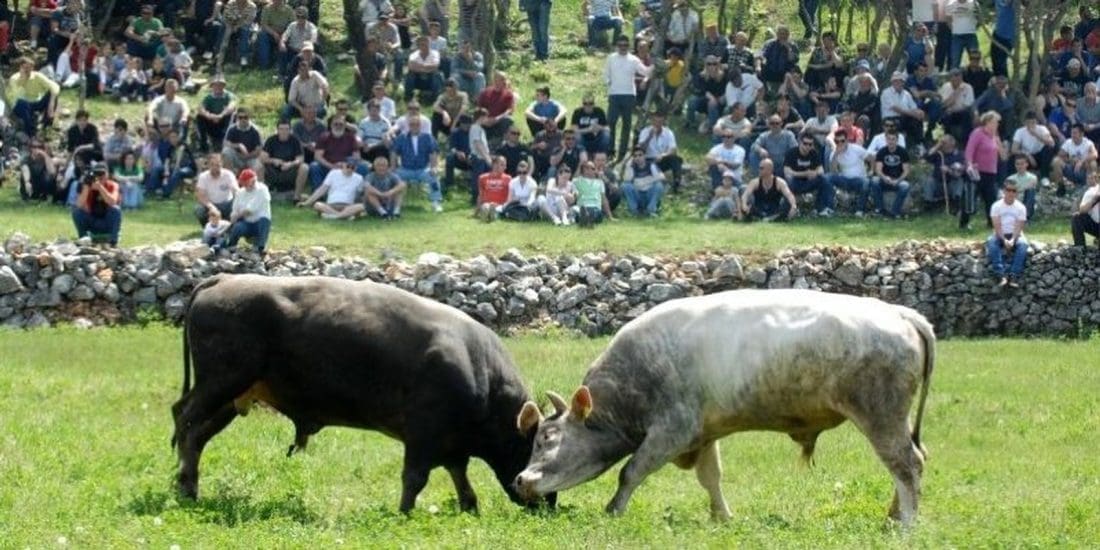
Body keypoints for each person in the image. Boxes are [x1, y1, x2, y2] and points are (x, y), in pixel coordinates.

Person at [604, 36, 651, 158]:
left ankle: (622, 152)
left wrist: (655, 65)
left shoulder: (634, 59)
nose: (623, 47)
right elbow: (606, 75)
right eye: (620, 45)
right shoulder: (611, 58)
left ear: (629, 46)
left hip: (629, 95)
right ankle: (610, 150)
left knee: (626, 124)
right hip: (614, 95)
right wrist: (609, 85)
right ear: (617, 46)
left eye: (625, 45)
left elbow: (645, 72)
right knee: (611, 123)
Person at [965, 111, 1008, 229]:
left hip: (991, 172)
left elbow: (1003, 157)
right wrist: (969, 164)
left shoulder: (995, 137)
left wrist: (999, 144)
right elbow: (970, 150)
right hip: (977, 171)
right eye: (995, 122)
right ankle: (964, 223)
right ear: (988, 122)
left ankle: (992, 224)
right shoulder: (977, 133)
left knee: (991, 199)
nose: (997, 124)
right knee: (971, 198)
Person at [391, 117, 443, 212]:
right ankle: (394, 205)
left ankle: (436, 203)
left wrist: (434, 167)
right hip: (405, 169)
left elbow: (433, 152)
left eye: (417, 124)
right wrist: (393, 167)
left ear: (420, 126)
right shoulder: (402, 137)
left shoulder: (427, 137)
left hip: (422, 169)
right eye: (412, 124)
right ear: (408, 126)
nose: (414, 126)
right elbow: (394, 152)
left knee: (433, 176)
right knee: (393, 176)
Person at [986, 180, 1028, 288]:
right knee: (992, 243)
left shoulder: (1021, 207)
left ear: (1016, 193)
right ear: (1004, 191)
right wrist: (1004, 239)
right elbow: (996, 225)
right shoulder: (996, 206)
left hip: (1015, 234)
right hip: (999, 233)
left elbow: (1019, 226)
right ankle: (1000, 275)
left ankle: (1014, 275)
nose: (1011, 193)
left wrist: (1013, 239)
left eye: (1014, 191)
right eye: (1008, 190)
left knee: (1023, 245)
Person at [298, 156, 367, 220]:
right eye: (348, 166)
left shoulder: (359, 178)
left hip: (347, 207)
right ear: (343, 164)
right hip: (331, 205)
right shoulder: (333, 173)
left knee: (361, 206)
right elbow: (322, 189)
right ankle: (343, 216)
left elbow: (361, 194)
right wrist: (307, 203)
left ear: (356, 168)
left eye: (352, 167)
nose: (350, 169)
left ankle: (333, 216)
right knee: (317, 205)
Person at [71, 163, 122, 246]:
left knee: (116, 210)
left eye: (102, 173)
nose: (100, 176)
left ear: (107, 174)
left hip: (107, 220)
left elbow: (112, 202)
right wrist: (86, 187)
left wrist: (100, 188)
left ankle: (113, 240)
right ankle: (83, 238)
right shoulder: (86, 185)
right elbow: (79, 205)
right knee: (76, 212)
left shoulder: (113, 185)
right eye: (97, 173)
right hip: (92, 220)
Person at [8, 56, 59, 138]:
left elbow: (55, 86)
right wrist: (23, 80)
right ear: (20, 67)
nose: (27, 70)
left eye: (29, 67)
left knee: (52, 93)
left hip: (35, 102)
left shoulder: (37, 76)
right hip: (20, 105)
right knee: (22, 103)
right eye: (25, 67)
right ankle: (31, 132)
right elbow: (18, 95)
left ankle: (47, 125)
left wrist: (51, 102)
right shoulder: (14, 79)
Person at [784, 135, 834, 217]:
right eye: (805, 143)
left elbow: (821, 170)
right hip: (795, 182)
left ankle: (822, 209)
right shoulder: (791, 153)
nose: (807, 146)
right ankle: (789, 209)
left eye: (810, 144)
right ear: (800, 143)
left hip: (809, 182)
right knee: (789, 181)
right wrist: (804, 173)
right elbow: (787, 172)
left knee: (824, 180)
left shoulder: (813, 153)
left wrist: (814, 173)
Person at [826, 132, 874, 216]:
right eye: (837, 141)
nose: (840, 143)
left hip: (859, 179)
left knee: (866, 182)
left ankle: (859, 210)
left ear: (847, 140)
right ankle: (829, 208)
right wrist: (836, 154)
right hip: (845, 180)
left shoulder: (856, 149)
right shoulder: (834, 153)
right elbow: (833, 172)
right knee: (827, 178)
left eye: (842, 141)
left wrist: (871, 170)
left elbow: (871, 158)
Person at [225, 168, 272, 253]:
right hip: (247, 223)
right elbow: (235, 209)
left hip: (259, 223)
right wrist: (233, 217)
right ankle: (231, 245)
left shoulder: (262, 190)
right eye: (246, 183)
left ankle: (259, 247)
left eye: (252, 181)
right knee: (237, 227)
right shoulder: (240, 193)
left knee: (264, 221)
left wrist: (237, 216)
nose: (251, 184)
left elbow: (250, 210)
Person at [637, 112, 682, 191]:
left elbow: (673, 149)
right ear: (652, 121)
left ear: (663, 122)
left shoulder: (668, 132)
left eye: (660, 122)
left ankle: (677, 181)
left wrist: (663, 155)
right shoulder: (645, 131)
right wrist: (649, 137)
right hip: (648, 160)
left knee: (676, 159)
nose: (657, 124)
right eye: (655, 121)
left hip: (662, 159)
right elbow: (641, 149)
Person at [261, 119, 308, 195]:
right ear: (277, 130)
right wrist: (273, 160)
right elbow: (262, 158)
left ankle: (297, 197)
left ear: (290, 130)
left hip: (290, 171)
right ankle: (262, 194)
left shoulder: (295, 141)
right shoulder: (271, 140)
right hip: (273, 171)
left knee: (304, 167)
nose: (284, 131)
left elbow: (300, 159)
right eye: (281, 129)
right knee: (258, 165)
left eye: (286, 129)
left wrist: (290, 164)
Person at [872, 131, 912, 219]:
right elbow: (878, 170)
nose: (891, 141)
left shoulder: (903, 152)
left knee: (905, 186)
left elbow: (906, 171)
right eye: (889, 139)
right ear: (886, 140)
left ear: (897, 140)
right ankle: (880, 209)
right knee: (874, 181)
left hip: (898, 181)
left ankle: (894, 212)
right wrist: (884, 177)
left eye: (893, 139)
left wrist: (898, 180)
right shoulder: (882, 152)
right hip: (885, 180)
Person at [1051, 123, 1098, 194]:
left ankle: (1091, 188)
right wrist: (1070, 160)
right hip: (1071, 169)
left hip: (1084, 171)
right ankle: (1061, 187)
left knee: (1093, 163)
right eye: (1072, 133)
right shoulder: (1068, 142)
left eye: (1075, 133)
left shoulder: (1088, 143)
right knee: (1056, 161)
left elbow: (1095, 154)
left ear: (1081, 134)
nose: (1072, 135)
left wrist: (1081, 161)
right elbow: (1059, 154)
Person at [194, 153, 239, 226]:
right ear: (208, 165)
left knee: (236, 205)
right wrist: (211, 207)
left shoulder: (228, 175)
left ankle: (230, 226)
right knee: (199, 210)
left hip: (226, 205)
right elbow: (201, 196)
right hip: (210, 205)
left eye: (217, 165)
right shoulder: (203, 177)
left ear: (222, 164)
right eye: (212, 164)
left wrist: (237, 204)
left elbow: (236, 191)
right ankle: (208, 227)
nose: (215, 167)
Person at [195, 74, 237, 153]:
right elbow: (200, 108)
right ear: (212, 86)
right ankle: (204, 145)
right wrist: (210, 116)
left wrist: (221, 115)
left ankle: (226, 141)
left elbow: (231, 106)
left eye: (220, 85)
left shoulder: (229, 96)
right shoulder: (208, 97)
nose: (218, 87)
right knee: (199, 117)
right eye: (215, 85)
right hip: (211, 122)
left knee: (232, 115)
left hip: (224, 122)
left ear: (223, 86)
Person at [621, 146, 665, 217]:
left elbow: (662, 177)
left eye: (640, 155)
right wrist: (629, 164)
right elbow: (626, 180)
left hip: (649, 195)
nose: (638, 158)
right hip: (638, 195)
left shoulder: (651, 165)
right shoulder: (632, 166)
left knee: (659, 185)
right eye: (635, 156)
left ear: (644, 156)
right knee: (625, 185)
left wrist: (644, 182)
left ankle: (650, 210)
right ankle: (634, 211)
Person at [1011, 112, 1056, 179]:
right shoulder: (1020, 131)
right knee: (1015, 158)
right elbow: (1014, 149)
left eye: (1033, 122)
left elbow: (1052, 143)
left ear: (1036, 122)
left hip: (1041, 155)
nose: (1031, 124)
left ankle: (1044, 177)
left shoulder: (1042, 128)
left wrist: (1036, 134)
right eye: (1028, 122)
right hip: (1028, 155)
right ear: (1025, 123)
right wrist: (1028, 154)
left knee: (1049, 149)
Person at [476, 71, 516, 142]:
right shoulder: (485, 92)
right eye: (497, 79)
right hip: (486, 120)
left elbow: (509, 110)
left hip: (499, 120)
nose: (499, 82)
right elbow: (479, 108)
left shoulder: (508, 94)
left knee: (508, 120)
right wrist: (484, 119)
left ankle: (500, 141)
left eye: (502, 79)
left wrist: (497, 118)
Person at [221, 108, 264, 175]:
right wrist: (238, 145)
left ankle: (255, 183)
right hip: (237, 156)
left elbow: (259, 150)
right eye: (240, 117)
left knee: (259, 166)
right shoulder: (232, 129)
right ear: (237, 118)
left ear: (249, 118)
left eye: (245, 117)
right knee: (226, 151)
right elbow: (226, 143)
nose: (243, 120)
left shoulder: (255, 130)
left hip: (251, 157)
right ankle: (230, 177)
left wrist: (247, 156)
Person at [572, 160, 615, 225]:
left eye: (593, 168)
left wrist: (610, 216)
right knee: (575, 210)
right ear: (583, 169)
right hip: (582, 207)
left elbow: (604, 200)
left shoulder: (599, 182)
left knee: (595, 213)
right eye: (587, 168)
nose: (590, 170)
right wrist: (580, 166)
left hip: (595, 208)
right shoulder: (576, 181)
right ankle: (585, 218)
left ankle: (585, 218)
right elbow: (575, 177)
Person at [257, 0, 294, 72]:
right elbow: (264, 25)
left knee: (289, 41)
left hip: (284, 33)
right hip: (270, 33)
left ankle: (282, 66)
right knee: (262, 36)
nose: (277, 1)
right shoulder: (267, 9)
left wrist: (284, 36)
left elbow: (292, 25)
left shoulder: (289, 10)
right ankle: (264, 65)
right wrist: (274, 33)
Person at [404, 34, 443, 102]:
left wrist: (420, 65)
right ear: (418, 46)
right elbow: (410, 66)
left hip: (431, 78)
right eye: (422, 44)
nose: (425, 46)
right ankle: (409, 96)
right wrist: (427, 68)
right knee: (409, 74)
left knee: (437, 75)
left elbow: (436, 65)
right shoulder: (413, 55)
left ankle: (435, 98)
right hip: (417, 79)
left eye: (426, 44)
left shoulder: (435, 53)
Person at [1071, 170, 1100, 251]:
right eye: (1089, 178)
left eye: (1094, 178)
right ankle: (1080, 247)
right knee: (1077, 217)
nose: (1091, 180)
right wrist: (1095, 199)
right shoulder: (1091, 192)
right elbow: (1082, 210)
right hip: (1096, 225)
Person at [945, 0, 979, 69]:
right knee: (955, 61)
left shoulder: (974, 3)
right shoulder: (950, 4)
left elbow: (979, 17)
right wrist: (953, 29)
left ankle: (975, 78)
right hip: (957, 36)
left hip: (971, 35)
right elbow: (948, 19)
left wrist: (974, 26)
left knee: (975, 60)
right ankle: (955, 78)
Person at [1004, 154, 1039, 220]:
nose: (1020, 166)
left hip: (1026, 200)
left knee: (1030, 192)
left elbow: (1030, 188)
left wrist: (1017, 189)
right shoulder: (1010, 178)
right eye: (1017, 164)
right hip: (1015, 200)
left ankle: (1025, 217)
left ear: (1026, 164)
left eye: (1022, 164)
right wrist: (1021, 189)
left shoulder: (1033, 177)